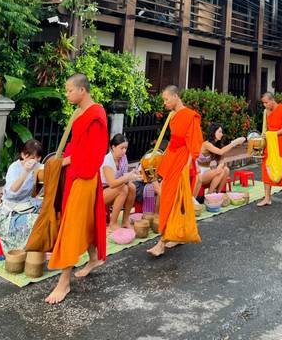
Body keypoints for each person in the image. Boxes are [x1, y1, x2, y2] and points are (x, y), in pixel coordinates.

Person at [45, 74, 108, 305]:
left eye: (69, 90)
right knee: (84, 219)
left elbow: (95, 152)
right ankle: (93, 257)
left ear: (82, 90)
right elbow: (76, 144)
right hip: (75, 173)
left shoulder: (96, 114)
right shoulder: (79, 112)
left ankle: (64, 281)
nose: (67, 94)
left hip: (85, 174)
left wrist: (65, 162)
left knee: (72, 225)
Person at [148, 85, 203, 257]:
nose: (164, 103)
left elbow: (193, 142)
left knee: (170, 199)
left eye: (166, 99)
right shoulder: (173, 116)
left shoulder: (190, 115)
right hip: (173, 157)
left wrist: (186, 166)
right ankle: (177, 234)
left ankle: (161, 243)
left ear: (176, 96)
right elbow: (173, 142)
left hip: (182, 161)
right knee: (174, 199)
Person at [0, 140, 43, 255]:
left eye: (36, 157)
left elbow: (40, 192)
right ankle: (24, 251)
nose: (33, 160)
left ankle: (39, 250)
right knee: (36, 222)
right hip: (11, 213)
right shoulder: (14, 168)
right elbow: (12, 192)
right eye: (30, 156)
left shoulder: (39, 168)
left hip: (30, 207)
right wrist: (25, 172)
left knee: (50, 216)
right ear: (23, 155)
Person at [257, 92, 282, 207]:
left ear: (272, 101)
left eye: (266, 103)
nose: (264, 105)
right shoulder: (266, 112)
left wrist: (273, 134)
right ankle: (267, 198)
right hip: (270, 142)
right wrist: (265, 137)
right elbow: (266, 128)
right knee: (267, 167)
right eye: (263, 103)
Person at [101, 134, 141, 232]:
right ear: (113, 147)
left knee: (131, 187)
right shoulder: (107, 160)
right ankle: (112, 224)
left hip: (113, 190)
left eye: (125, 148)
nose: (124, 151)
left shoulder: (123, 158)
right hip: (101, 193)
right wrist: (127, 177)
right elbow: (112, 183)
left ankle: (125, 221)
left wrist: (134, 175)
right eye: (121, 148)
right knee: (123, 189)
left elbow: (124, 176)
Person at [192, 124, 245, 197]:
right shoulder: (206, 144)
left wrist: (220, 165)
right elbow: (221, 152)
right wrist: (234, 143)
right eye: (219, 132)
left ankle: (218, 194)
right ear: (213, 132)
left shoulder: (218, 145)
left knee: (226, 169)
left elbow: (221, 160)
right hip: (200, 173)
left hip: (208, 171)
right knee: (219, 171)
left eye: (222, 132)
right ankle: (209, 195)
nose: (222, 134)